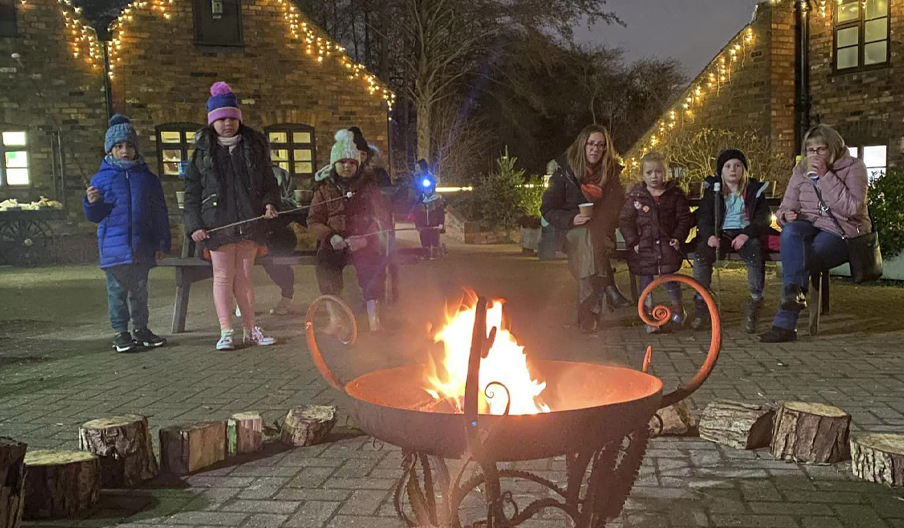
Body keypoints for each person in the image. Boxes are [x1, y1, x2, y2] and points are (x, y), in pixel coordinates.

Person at [183, 81, 280, 351]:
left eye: (231, 118)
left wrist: (270, 203)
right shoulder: (202, 154)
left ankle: (251, 329)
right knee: (223, 278)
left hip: (248, 223)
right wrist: (194, 225)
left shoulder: (254, 148)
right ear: (213, 122)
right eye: (221, 118)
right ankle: (226, 330)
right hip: (217, 225)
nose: (227, 123)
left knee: (245, 278)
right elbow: (191, 193)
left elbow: (269, 183)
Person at [760, 125, 871, 343]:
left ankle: (785, 325)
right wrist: (785, 216)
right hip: (809, 225)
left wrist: (825, 176)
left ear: (834, 149)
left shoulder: (855, 167)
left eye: (821, 150)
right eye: (811, 150)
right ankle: (794, 297)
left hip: (842, 230)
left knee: (802, 258)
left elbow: (851, 208)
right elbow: (785, 206)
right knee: (791, 232)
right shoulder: (800, 170)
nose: (815, 155)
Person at [84, 114, 171, 353]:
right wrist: (91, 203)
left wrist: (162, 242)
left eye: (129, 146)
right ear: (110, 149)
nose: (125, 150)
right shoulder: (101, 179)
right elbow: (96, 215)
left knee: (140, 291)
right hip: (114, 249)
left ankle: (141, 329)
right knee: (117, 292)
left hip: (141, 247)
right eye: (119, 146)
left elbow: (159, 213)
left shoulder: (148, 179)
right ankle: (120, 332)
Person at [540, 124, 632, 334]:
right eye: (591, 144)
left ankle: (586, 317)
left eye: (600, 145)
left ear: (605, 149)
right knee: (586, 239)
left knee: (589, 250)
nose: (595, 149)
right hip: (570, 233)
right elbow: (547, 209)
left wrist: (599, 220)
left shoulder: (612, 175)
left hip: (600, 234)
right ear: (583, 145)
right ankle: (610, 289)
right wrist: (573, 218)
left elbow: (617, 208)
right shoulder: (564, 172)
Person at [308, 129, 392, 332]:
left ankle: (374, 318)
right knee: (325, 266)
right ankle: (335, 318)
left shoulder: (369, 188)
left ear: (358, 164)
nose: (347, 166)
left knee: (373, 267)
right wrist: (330, 236)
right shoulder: (323, 190)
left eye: (352, 162)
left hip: (364, 241)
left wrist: (366, 238)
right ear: (334, 164)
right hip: (334, 242)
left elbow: (381, 217)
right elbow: (314, 220)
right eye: (342, 162)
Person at [692, 149, 770, 333]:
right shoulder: (713, 191)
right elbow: (703, 216)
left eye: (737, 166)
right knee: (702, 254)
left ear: (744, 169)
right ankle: (702, 306)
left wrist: (747, 234)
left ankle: (754, 302)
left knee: (755, 253)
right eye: (727, 166)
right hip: (721, 234)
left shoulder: (753, 190)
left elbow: (763, 217)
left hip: (745, 234)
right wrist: (709, 235)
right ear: (721, 171)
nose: (732, 170)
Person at [619, 151, 693, 333]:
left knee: (669, 280)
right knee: (646, 283)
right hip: (644, 248)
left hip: (667, 247)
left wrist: (677, 237)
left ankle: (677, 311)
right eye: (649, 172)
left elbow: (685, 218)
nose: (654, 176)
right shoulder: (636, 197)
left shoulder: (674, 195)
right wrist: (633, 241)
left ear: (665, 173)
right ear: (642, 175)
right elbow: (625, 220)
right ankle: (648, 315)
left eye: (658, 172)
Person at [260, 166, 300, 315]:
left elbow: (293, 201)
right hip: (247, 233)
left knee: (277, 258)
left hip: (276, 232)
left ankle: (286, 297)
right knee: (230, 257)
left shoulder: (281, 175)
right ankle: (241, 300)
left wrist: (275, 203)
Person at [409, 171, 445, 258]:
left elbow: (440, 212)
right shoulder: (419, 199)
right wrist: (417, 225)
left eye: (429, 188)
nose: (427, 190)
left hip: (434, 224)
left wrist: (441, 223)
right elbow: (417, 213)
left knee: (434, 239)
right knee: (424, 239)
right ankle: (426, 253)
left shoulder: (437, 198)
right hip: (423, 224)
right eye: (425, 189)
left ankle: (435, 252)